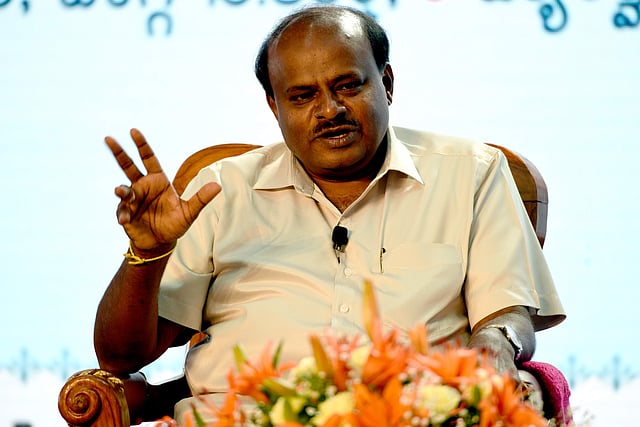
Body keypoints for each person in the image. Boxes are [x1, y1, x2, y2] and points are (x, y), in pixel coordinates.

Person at [94, 4, 565, 422]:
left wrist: (497, 343)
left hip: (402, 416)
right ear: (274, 105)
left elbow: (508, 312)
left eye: (348, 86)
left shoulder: (472, 173)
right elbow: (121, 357)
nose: (330, 110)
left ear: (387, 83)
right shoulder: (223, 189)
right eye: (302, 96)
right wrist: (147, 254)